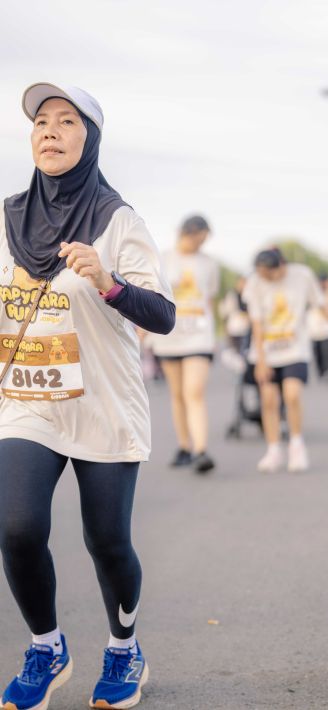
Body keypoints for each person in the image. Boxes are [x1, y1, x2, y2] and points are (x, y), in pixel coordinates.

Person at [0, 82, 175, 710]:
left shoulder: (118, 220)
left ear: (90, 139)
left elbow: (163, 315)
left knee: (106, 541)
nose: (50, 130)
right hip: (30, 402)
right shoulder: (7, 218)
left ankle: (124, 648)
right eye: (41, 121)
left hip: (104, 404)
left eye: (67, 120)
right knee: (16, 526)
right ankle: (46, 648)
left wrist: (107, 279)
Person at [243, 248, 328, 472]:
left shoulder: (302, 275)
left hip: (294, 349)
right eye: (261, 274)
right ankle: (273, 449)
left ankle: (297, 445)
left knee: (292, 395)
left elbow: (321, 305)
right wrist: (261, 361)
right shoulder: (255, 282)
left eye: (269, 274)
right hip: (266, 350)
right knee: (269, 400)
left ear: (281, 266)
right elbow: (256, 323)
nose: (265, 278)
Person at [151, 215, 219, 473]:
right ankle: (184, 446)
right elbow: (153, 295)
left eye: (204, 241)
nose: (200, 245)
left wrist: (213, 333)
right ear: (185, 233)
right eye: (198, 239)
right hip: (169, 334)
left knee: (194, 391)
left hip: (199, 335)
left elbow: (209, 300)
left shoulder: (209, 264)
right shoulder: (163, 259)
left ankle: (201, 449)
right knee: (177, 394)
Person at [307, 273, 328, 381]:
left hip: (327, 329)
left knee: (327, 352)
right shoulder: (312, 292)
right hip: (314, 329)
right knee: (317, 352)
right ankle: (320, 372)